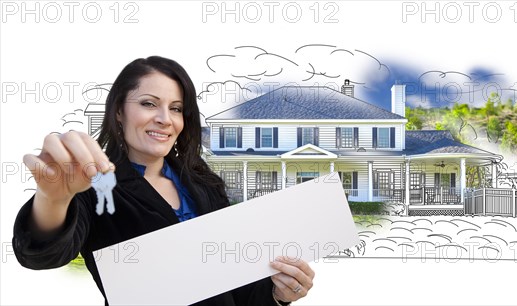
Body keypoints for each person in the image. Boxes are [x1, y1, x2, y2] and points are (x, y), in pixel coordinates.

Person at [13, 56, 315, 305]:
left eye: (176, 108)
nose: (164, 119)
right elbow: (41, 255)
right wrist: (53, 198)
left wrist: (277, 294)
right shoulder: (92, 185)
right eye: (148, 103)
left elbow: (236, 288)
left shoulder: (204, 184)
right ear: (119, 110)